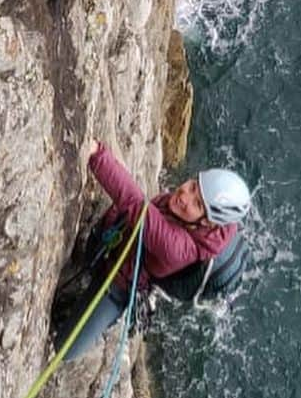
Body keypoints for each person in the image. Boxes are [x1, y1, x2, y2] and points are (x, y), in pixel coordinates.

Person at [58, 140, 251, 360]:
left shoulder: (177, 249)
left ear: (207, 223)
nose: (184, 197)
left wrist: (96, 153)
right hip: (120, 239)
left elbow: (135, 205)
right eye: (193, 186)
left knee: (66, 348)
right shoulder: (201, 217)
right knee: (90, 256)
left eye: (197, 203)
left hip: (118, 285)